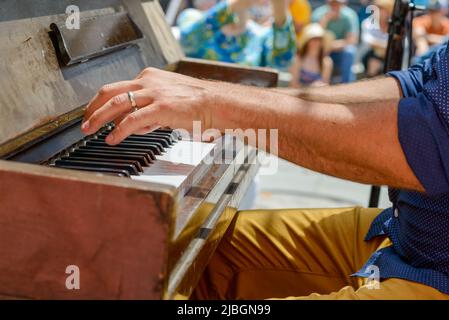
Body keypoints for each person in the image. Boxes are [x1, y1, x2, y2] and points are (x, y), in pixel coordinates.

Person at [81, 39, 449, 299]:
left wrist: (218, 106)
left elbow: (428, 147)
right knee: (179, 253)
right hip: (404, 234)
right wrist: (216, 97)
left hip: (438, 274)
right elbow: (415, 87)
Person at [177, 0, 296, 70]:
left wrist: (280, 10)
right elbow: (186, 41)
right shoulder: (193, 16)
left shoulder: (260, 36)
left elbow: (282, 62)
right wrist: (235, 4)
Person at [312, 0, 359, 83]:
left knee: (350, 52)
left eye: (338, 4)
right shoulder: (318, 14)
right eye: (332, 4)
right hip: (322, 51)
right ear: (327, 3)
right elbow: (313, 38)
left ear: (344, 4)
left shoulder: (350, 15)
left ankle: (347, 85)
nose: (335, 7)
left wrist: (331, 45)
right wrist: (324, 21)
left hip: (339, 51)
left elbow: (352, 40)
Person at [360, 0, 394, 77]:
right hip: (370, 55)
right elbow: (367, 40)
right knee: (374, 60)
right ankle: (370, 81)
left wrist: (382, 46)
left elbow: (400, 44)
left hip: (391, 56)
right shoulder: (368, 22)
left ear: (389, 11)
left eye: (381, 9)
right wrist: (386, 46)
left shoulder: (394, 25)